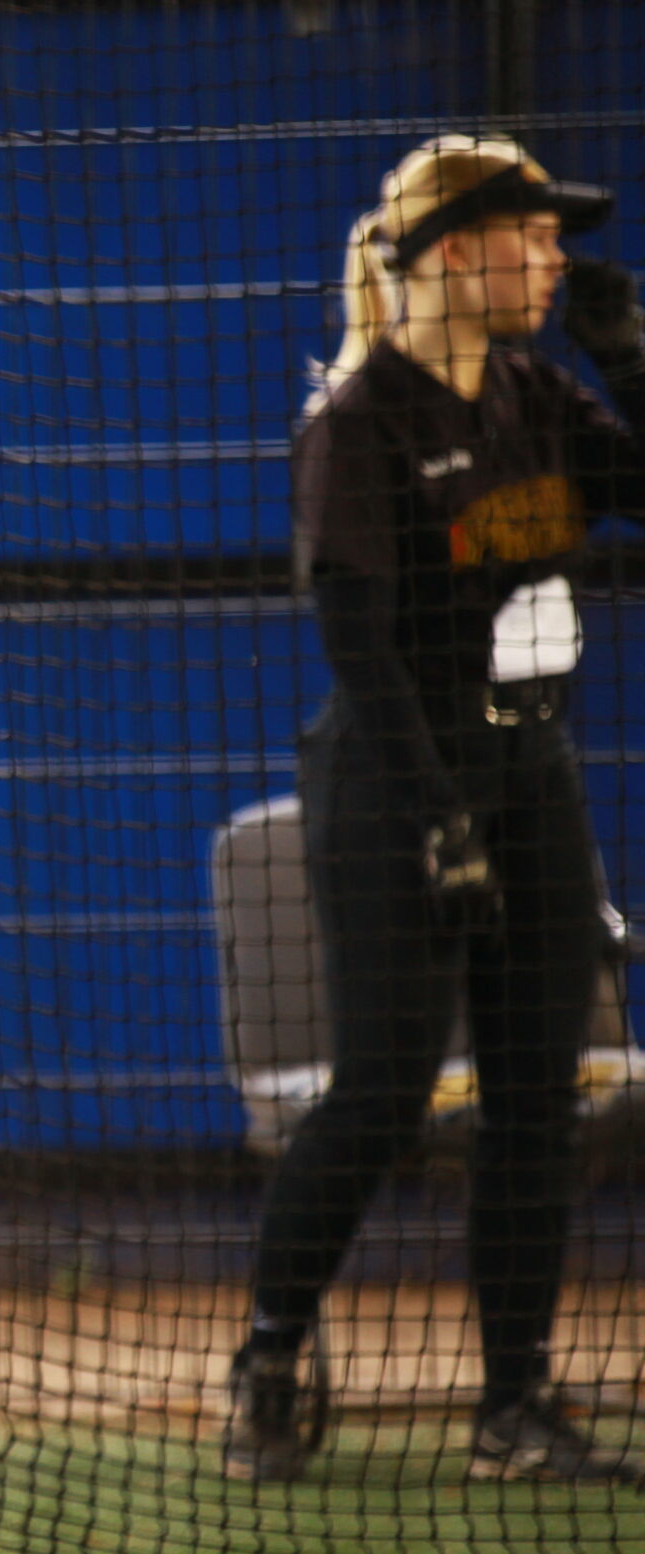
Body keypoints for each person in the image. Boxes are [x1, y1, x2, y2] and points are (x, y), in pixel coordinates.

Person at [225, 137, 645, 1483]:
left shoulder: (536, 394)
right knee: (383, 1091)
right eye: (535, 234)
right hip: (392, 782)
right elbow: (360, 647)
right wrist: (436, 817)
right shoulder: (359, 421)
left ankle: (513, 1408)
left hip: (531, 775)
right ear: (455, 253)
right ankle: (268, 1355)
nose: (556, 258)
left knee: (538, 1099)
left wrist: (627, 359)